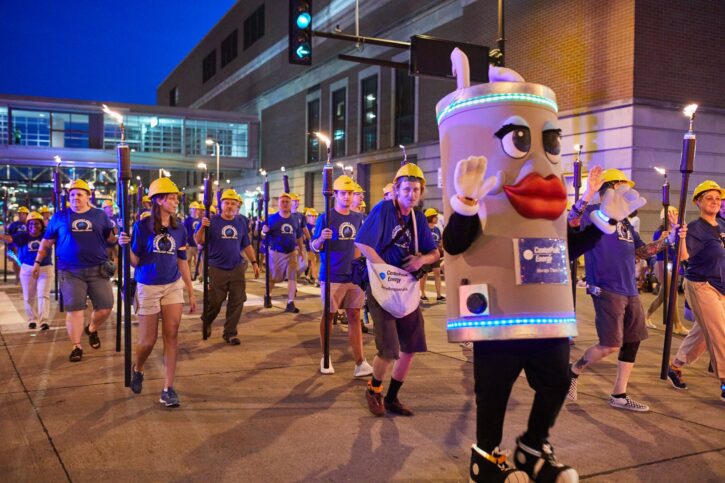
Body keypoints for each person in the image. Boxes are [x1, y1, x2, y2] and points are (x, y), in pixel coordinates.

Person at [568, 169, 674, 412]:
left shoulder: (624, 221)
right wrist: (587, 195)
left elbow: (641, 251)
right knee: (610, 345)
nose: (627, 193)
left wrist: (667, 241)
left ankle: (619, 394)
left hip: (630, 289)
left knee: (633, 340)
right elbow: (571, 223)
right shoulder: (593, 213)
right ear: (609, 188)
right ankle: (573, 370)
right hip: (606, 287)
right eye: (622, 187)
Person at [356, 163, 439, 417]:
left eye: (416, 190)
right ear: (396, 189)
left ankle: (392, 397)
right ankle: (374, 389)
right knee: (389, 348)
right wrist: (384, 271)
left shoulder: (418, 218)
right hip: (382, 286)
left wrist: (421, 261)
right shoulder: (383, 210)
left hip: (406, 287)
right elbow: (362, 243)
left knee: (411, 346)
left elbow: (435, 252)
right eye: (406, 189)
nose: (411, 194)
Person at [118, 177, 196, 407]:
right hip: (148, 286)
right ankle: (138, 368)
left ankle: (168, 388)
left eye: (175, 198)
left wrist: (190, 291)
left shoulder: (179, 228)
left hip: (172, 285)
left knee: (172, 333)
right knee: (148, 341)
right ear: (158, 201)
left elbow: (182, 262)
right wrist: (124, 247)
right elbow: (134, 262)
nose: (175, 202)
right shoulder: (141, 227)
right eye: (171, 198)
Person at [34, 179, 117, 362]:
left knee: (105, 307)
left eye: (79, 194)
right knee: (75, 309)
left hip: (98, 269)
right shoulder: (60, 216)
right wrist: (37, 262)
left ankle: (92, 328)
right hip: (70, 271)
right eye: (72, 195)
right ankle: (77, 346)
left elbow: (110, 240)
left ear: (88, 196)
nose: (75, 198)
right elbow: (47, 242)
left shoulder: (100, 215)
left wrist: (117, 233)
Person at [667, 180, 724, 402]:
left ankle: (676, 365)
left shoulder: (720, 225)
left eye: (718, 198)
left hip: (720, 287)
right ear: (698, 202)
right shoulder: (694, 228)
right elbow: (683, 257)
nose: (715, 201)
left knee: (702, 331)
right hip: (702, 285)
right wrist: (679, 235)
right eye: (709, 198)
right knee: (720, 334)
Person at [311, 175, 373, 377]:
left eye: (350, 193)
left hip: (354, 277)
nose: (347, 197)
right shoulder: (325, 217)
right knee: (328, 315)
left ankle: (360, 361)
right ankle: (325, 356)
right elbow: (313, 246)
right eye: (343, 193)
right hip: (332, 275)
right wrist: (321, 238)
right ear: (335, 194)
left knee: (354, 316)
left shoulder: (359, 218)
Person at [196, 189, 259, 345]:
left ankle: (230, 332)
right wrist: (203, 227)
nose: (230, 206)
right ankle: (207, 319)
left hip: (237, 266)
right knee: (216, 301)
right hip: (217, 267)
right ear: (221, 205)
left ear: (237, 205)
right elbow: (199, 241)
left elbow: (246, 244)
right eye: (227, 203)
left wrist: (254, 262)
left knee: (237, 300)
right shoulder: (212, 221)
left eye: (233, 203)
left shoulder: (241, 222)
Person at [5, 211, 52, 330]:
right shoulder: (23, 236)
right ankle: (32, 319)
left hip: (45, 268)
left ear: (41, 225)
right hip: (27, 269)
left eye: (36, 224)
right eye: (30, 224)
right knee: (28, 297)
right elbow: (9, 239)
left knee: (43, 295)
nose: (33, 227)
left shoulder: (47, 235)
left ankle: (44, 321)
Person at [645, 207, 689, 334]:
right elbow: (655, 248)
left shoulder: (679, 231)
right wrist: (662, 240)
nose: (673, 216)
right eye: (671, 214)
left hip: (674, 264)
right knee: (672, 294)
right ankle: (678, 325)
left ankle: (646, 316)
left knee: (663, 296)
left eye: (675, 214)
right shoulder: (660, 232)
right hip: (661, 264)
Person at [262, 193, 306, 313]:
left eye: (287, 202)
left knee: (293, 277)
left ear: (291, 204)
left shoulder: (295, 219)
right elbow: (262, 233)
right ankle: (267, 295)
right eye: (283, 202)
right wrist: (264, 230)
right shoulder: (272, 219)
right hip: (276, 253)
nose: (285, 204)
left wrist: (301, 249)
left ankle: (290, 302)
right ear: (279, 204)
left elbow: (298, 236)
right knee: (274, 278)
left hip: (291, 253)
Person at [420, 208, 445, 302]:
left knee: (437, 273)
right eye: (435, 216)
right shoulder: (423, 229)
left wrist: (440, 245)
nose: (437, 218)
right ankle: (422, 294)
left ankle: (439, 295)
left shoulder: (437, 229)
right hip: (425, 254)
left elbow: (440, 240)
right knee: (424, 275)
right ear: (430, 217)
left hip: (436, 254)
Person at [8, 206, 29, 283]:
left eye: (23, 214)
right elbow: (9, 236)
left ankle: (25, 277)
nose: (21, 215)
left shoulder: (30, 223)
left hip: (27, 248)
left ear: (27, 215)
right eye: (20, 214)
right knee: (16, 263)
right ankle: (18, 276)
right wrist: (11, 248)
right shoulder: (13, 225)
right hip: (15, 248)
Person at [184, 201, 202, 277]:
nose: (195, 210)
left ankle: (200, 274)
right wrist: (185, 242)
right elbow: (184, 232)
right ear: (190, 210)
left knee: (199, 260)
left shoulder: (200, 220)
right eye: (193, 209)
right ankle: (189, 275)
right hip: (190, 244)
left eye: (196, 209)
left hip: (198, 244)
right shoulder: (187, 220)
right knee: (188, 260)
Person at [304, 208, 319, 285]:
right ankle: (316, 279)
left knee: (315, 261)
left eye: (315, 216)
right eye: (312, 216)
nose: (314, 218)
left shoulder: (316, 225)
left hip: (315, 247)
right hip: (308, 247)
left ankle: (308, 276)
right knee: (313, 260)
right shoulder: (306, 226)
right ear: (307, 217)